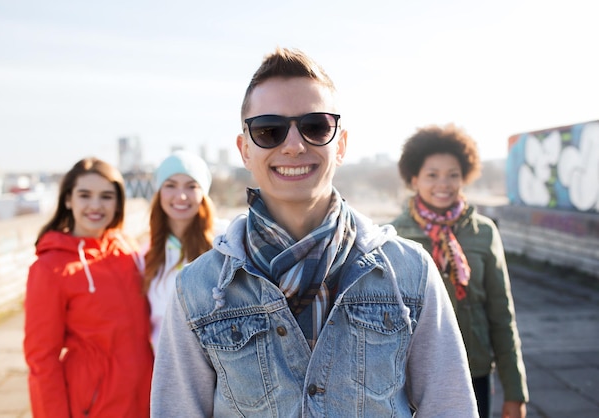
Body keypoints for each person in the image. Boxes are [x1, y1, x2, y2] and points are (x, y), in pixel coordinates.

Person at [151, 47, 478, 417]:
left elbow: (450, 408)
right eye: (269, 130)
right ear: (245, 150)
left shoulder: (410, 272)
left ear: (340, 144)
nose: (294, 145)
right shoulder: (198, 289)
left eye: (315, 126)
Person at [390, 124, 529, 418]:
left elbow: (501, 315)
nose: (444, 183)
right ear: (414, 179)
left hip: (474, 370)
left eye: (453, 174)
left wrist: (515, 392)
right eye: (432, 175)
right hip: (410, 375)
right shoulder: (393, 237)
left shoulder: (483, 233)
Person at [23, 157, 153, 418]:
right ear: (68, 200)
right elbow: (41, 360)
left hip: (148, 398)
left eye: (106, 196)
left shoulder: (126, 249)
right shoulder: (49, 268)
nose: (96, 205)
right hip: (95, 405)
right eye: (85, 195)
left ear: (117, 203)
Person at [143, 150, 228, 352]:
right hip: (168, 369)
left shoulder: (225, 241)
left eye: (191, 186)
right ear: (159, 192)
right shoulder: (147, 254)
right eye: (170, 185)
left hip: (220, 366)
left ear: (203, 194)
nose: (181, 196)